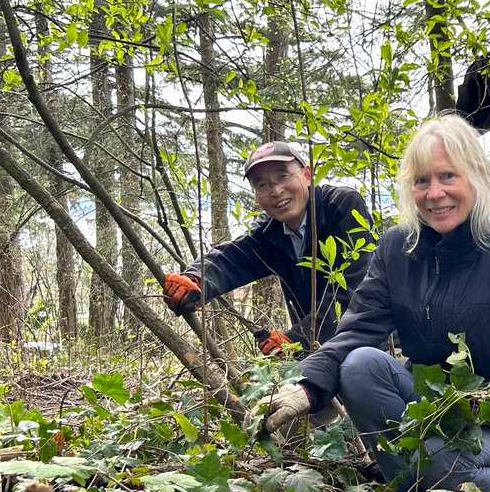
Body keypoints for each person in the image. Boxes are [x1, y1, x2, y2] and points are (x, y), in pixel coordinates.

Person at [253, 114, 490, 492]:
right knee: (360, 366)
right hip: (432, 407)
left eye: (448, 176)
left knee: (440, 455)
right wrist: (308, 386)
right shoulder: (399, 249)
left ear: (477, 176)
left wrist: (479, 401)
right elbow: (357, 330)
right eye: (422, 181)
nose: (434, 193)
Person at [159, 141, 375, 355]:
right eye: (262, 185)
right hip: (318, 353)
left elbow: (353, 290)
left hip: (369, 344)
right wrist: (196, 279)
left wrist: (296, 339)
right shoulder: (271, 231)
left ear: (307, 175)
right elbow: (234, 257)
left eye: (283, 176)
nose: (276, 190)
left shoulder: (341, 206)